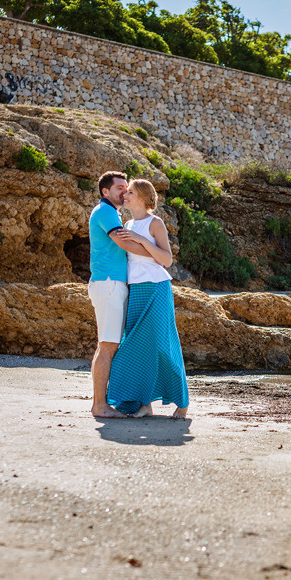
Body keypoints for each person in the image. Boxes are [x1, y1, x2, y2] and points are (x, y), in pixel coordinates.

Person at [106, 179, 190, 419]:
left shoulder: (155, 223)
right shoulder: (128, 223)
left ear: (142, 198)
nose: (125, 195)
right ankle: (145, 404)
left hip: (156, 287)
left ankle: (182, 402)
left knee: (163, 346)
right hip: (136, 289)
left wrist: (141, 239)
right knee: (135, 348)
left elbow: (166, 259)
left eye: (130, 192)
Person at [87, 170, 151, 419]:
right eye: (119, 188)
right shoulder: (104, 212)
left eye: (127, 187)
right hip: (108, 285)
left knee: (108, 345)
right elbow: (124, 243)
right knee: (107, 346)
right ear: (106, 191)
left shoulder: (111, 212)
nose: (124, 191)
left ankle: (105, 402)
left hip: (113, 285)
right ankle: (100, 406)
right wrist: (157, 254)